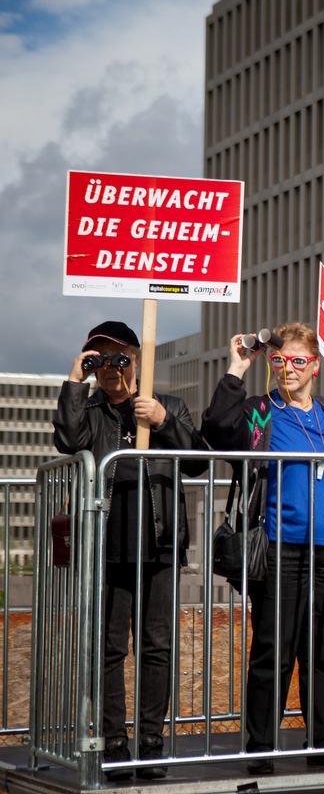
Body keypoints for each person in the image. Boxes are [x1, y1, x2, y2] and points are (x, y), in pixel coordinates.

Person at [202, 322, 324, 775]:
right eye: (279, 360)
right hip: (280, 545)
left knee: (322, 650)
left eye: (297, 360)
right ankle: (261, 744)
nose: (287, 369)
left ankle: (323, 740)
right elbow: (218, 429)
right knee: (273, 649)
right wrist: (238, 368)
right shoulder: (262, 411)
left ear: (314, 365)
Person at [52, 320, 206, 781]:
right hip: (106, 543)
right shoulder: (92, 407)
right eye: (100, 359)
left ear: (136, 361)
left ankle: (152, 740)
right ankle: (115, 739)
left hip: (158, 543)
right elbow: (68, 440)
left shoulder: (167, 405)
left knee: (157, 645)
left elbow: (197, 461)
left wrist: (161, 421)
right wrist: (74, 382)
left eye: (119, 358)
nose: (111, 369)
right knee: (110, 647)